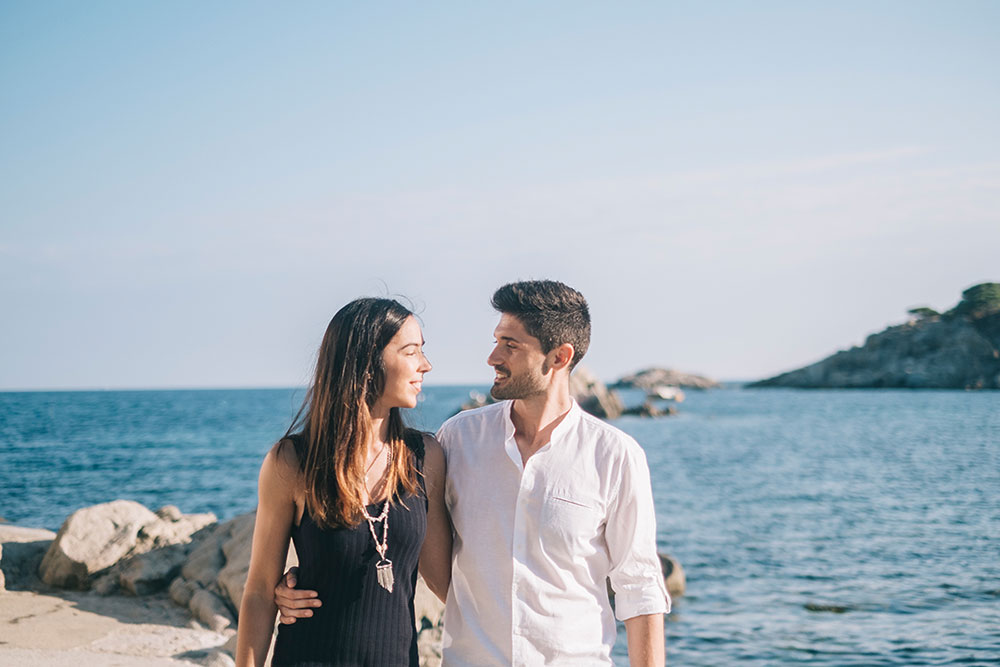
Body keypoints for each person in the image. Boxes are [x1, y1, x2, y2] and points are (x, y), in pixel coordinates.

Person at [277, 281, 669, 666]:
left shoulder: (615, 456)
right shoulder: (456, 440)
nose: (493, 357)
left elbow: (640, 589)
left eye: (510, 345)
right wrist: (304, 582)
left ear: (559, 357)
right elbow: (400, 537)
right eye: (496, 340)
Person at [236, 298, 452, 667]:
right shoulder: (292, 462)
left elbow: (447, 581)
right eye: (411, 352)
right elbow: (258, 590)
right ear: (367, 364)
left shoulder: (423, 457)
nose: (425, 366)